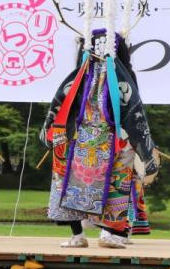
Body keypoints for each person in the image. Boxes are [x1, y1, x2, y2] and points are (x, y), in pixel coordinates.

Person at [41, 29, 159, 249]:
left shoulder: (122, 78)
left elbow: (134, 113)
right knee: (63, 178)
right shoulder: (80, 75)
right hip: (80, 138)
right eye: (95, 45)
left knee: (118, 183)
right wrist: (50, 129)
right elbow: (60, 103)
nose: (99, 51)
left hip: (114, 140)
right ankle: (77, 235)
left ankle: (109, 232)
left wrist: (144, 147)